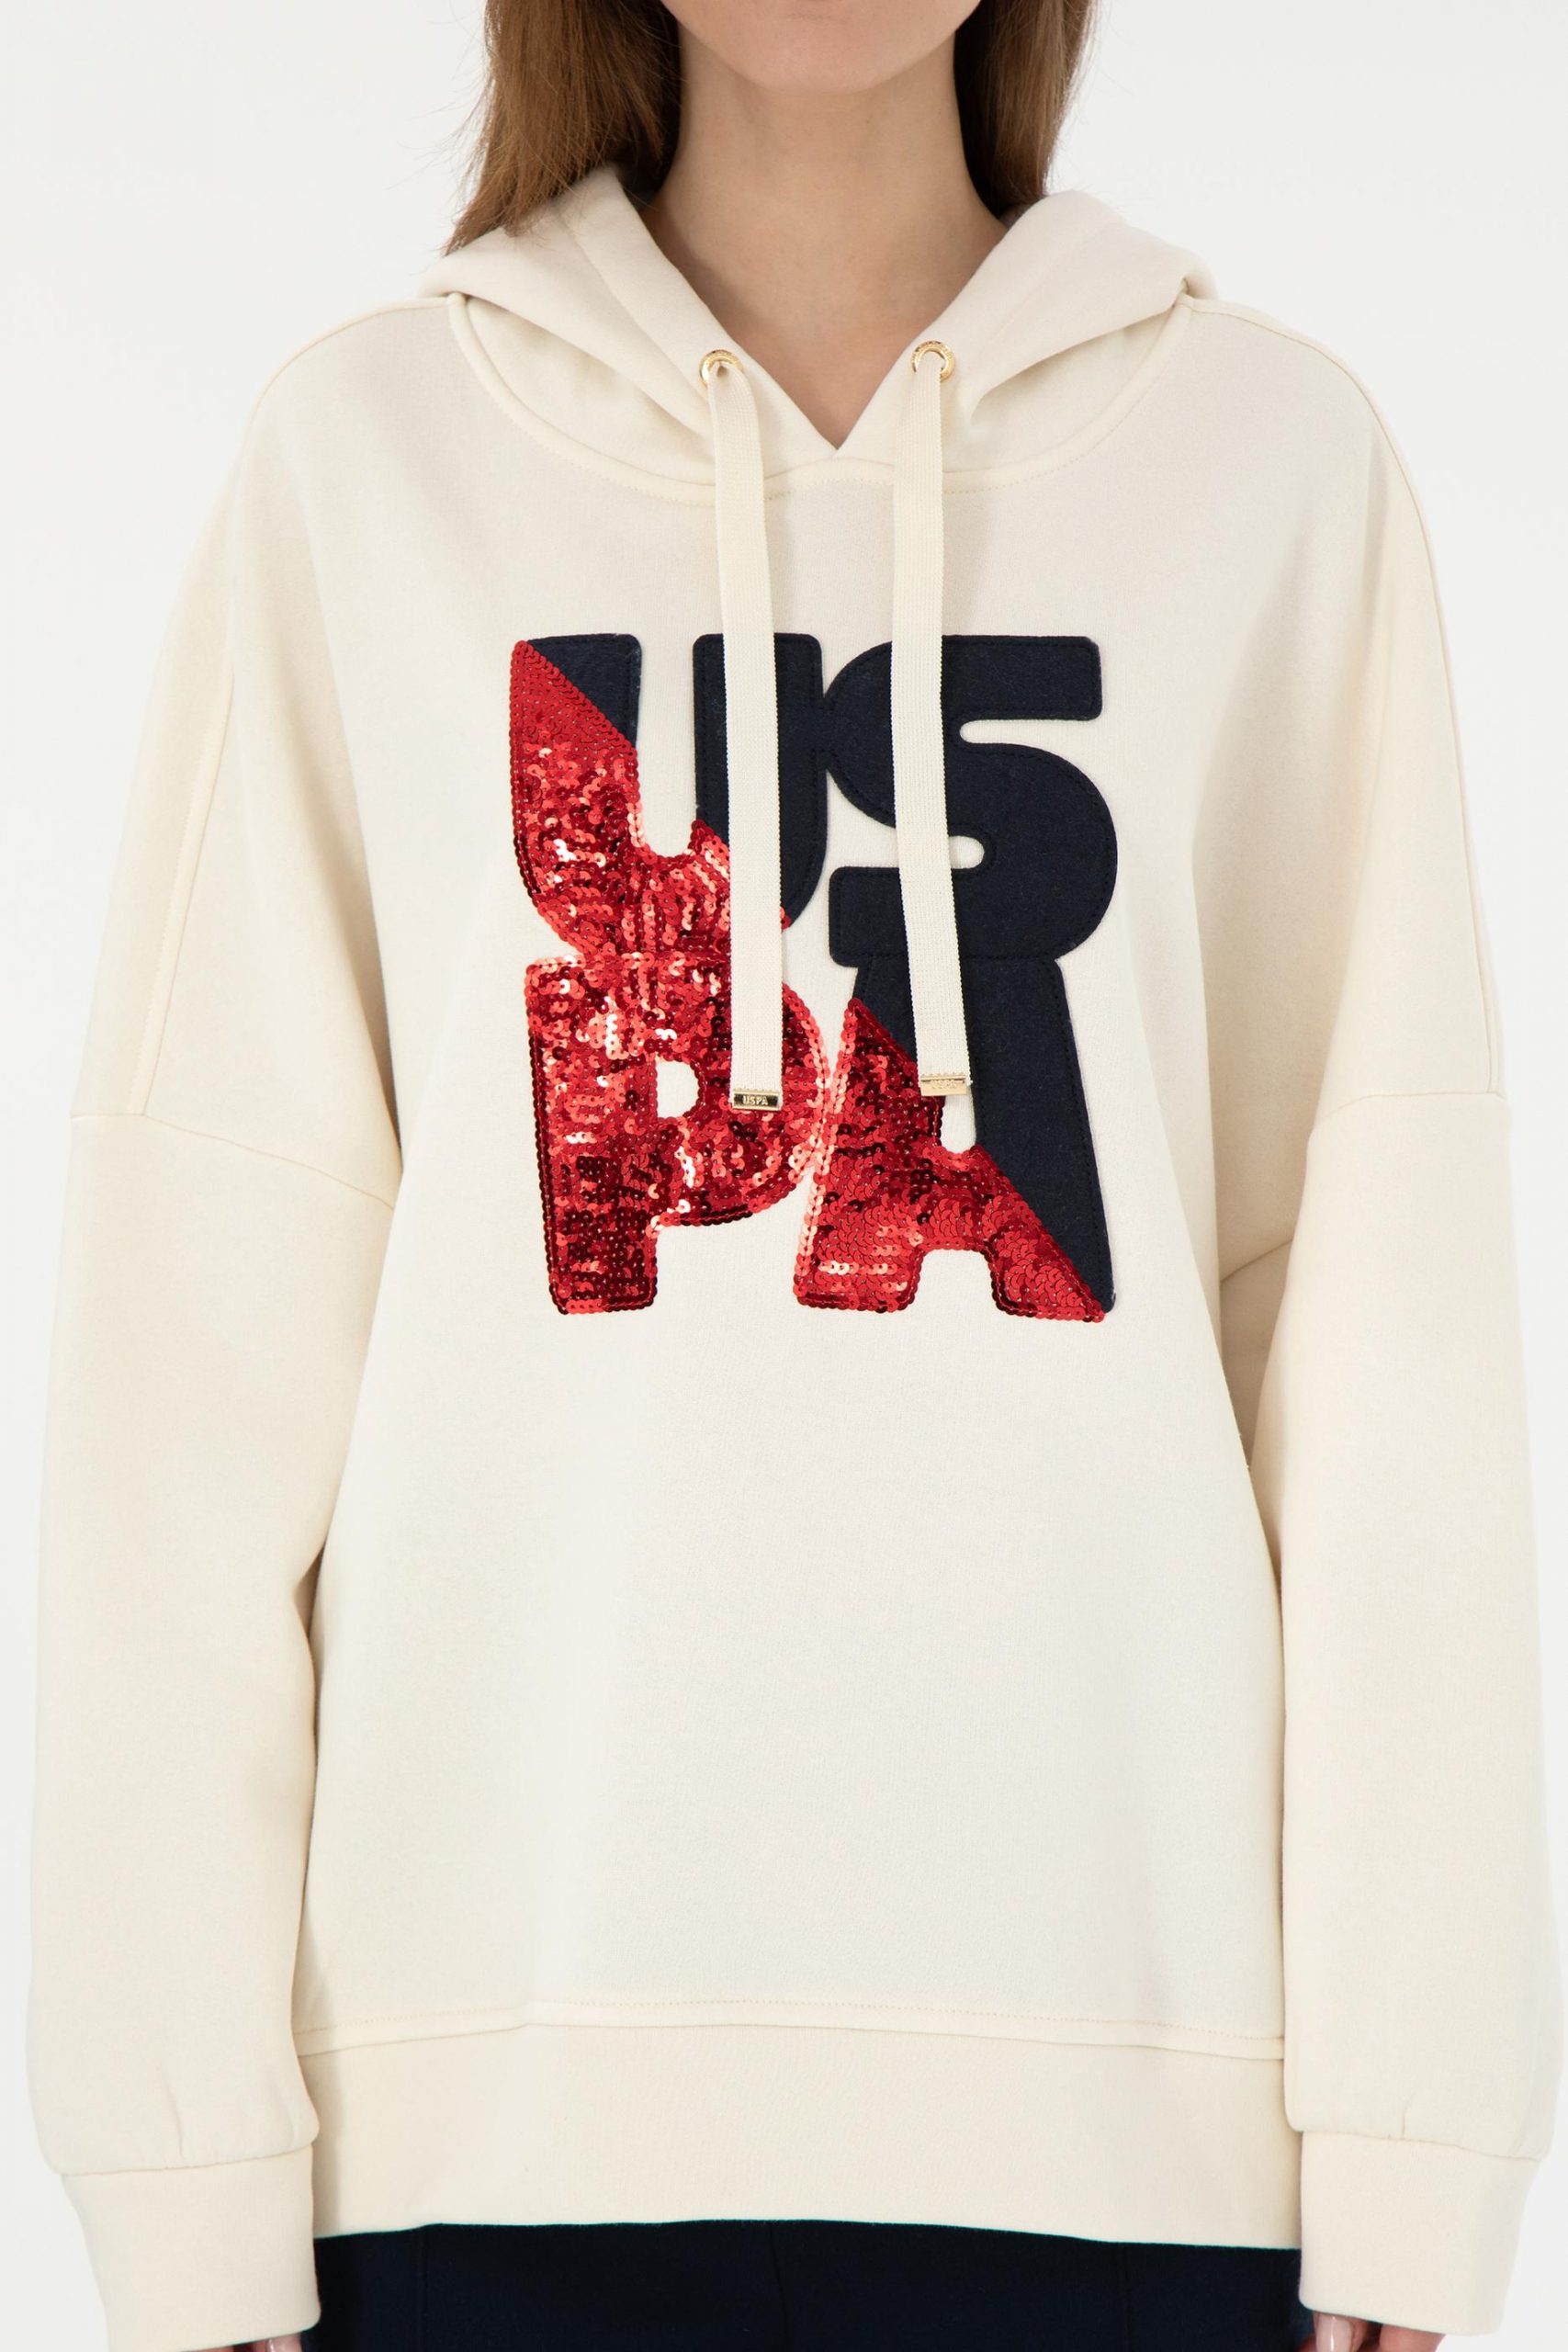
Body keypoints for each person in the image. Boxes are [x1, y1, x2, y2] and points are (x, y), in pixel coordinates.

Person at [28, 3, 1558, 2349]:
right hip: (470, 2140)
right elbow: (192, 1363)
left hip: (1138, 2143)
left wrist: (1409, 2131)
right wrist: (176, 2160)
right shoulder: (368, 461)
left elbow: (1381, 1354)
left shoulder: (1271, 470)